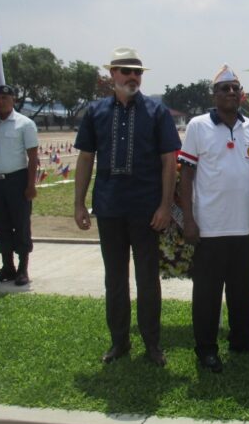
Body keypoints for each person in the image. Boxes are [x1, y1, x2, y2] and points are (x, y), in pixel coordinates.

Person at [74, 47, 180, 366]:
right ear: (112, 75)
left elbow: (169, 161)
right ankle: (119, 342)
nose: (133, 76)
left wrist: (165, 206)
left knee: (148, 279)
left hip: (147, 211)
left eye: (138, 72)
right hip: (108, 208)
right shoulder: (96, 112)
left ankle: (152, 343)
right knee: (115, 279)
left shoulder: (156, 112)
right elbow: (85, 158)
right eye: (126, 70)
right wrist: (78, 203)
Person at [178, 65, 249, 373]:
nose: (231, 93)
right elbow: (187, 174)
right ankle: (206, 349)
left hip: (240, 225)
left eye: (235, 88)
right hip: (209, 226)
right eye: (224, 89)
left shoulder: (248, 127)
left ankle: (241, 340)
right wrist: (189, 219)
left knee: (243, 289)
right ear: (214, 95)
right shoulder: (198, 125)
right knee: (207, 292)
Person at [0, 84, 39, 286]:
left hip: (17, 180)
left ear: (13, 100)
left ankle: (23, 268)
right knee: (1, 225)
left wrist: (30, 185)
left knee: (21, 225)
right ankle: (8, 266)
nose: (0, 102)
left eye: (4, 98)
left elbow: (32, 157)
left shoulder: (25, 124)